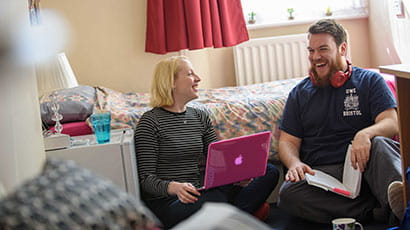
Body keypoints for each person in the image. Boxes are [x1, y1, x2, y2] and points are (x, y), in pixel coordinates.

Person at [277, 19, 403, 224]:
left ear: (342, 48)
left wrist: (365, 134)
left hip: (364, 166)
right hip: (324, 174)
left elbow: (391, 123)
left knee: (380, 143)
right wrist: (295, 163)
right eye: (311, 50)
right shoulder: (299, 93)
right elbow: (287, 141)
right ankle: (375, 208)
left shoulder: (370, 81)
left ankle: (402, 210)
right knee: (289, 194)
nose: (315, 56)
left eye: (323, 49)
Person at [134, 56, 279, 229]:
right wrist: (174, 187)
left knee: (268, 171)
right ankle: (236, 217)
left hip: (202, 191)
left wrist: (238, 175)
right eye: (190, 74)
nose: (198, 79)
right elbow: (146, 180)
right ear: (171, 82)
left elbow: (219, 159)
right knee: (215, 200)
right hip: (171, 201)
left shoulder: (200, 116)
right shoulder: (149, 122)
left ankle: (225, 219)